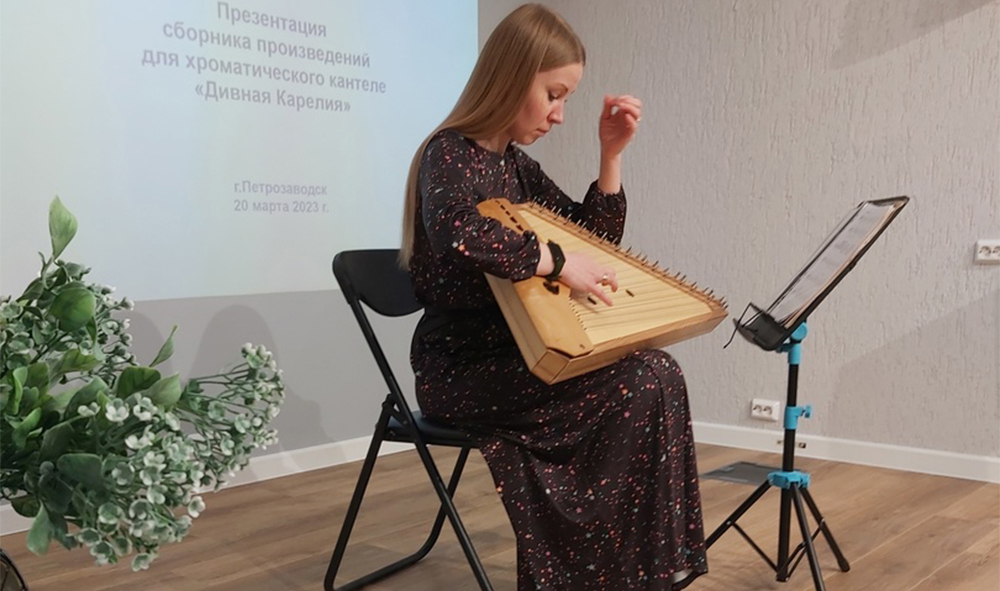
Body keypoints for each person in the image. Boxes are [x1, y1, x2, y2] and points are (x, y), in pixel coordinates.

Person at [400, 4, 707, 590]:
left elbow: (593, 242)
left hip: (519, 359)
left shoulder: (517, 168)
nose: (559, 115)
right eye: (553, 95)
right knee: (640, 380)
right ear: (512, 76)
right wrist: (556, 262)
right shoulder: (449, 151)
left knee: (658, 371)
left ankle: (637, 571)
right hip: (460, 370)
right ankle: (597, 573)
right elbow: (458, 231)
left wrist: (611, 155)